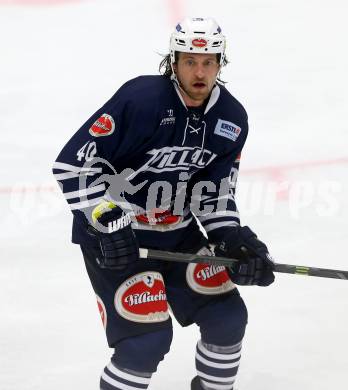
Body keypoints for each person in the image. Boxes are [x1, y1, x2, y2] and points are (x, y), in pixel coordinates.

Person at [53, 17, 275, 390]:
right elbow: (72, 165)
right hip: (117, 240)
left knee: (227, 318)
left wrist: (232, 238)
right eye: (190, 61)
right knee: (146, 342)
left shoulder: (231, 120)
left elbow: (214, 193)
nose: (199, 71)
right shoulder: (142, 100)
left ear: (221, 63)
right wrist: (107, 221)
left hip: (177, 235)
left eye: (208, 62)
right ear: (173, 62)